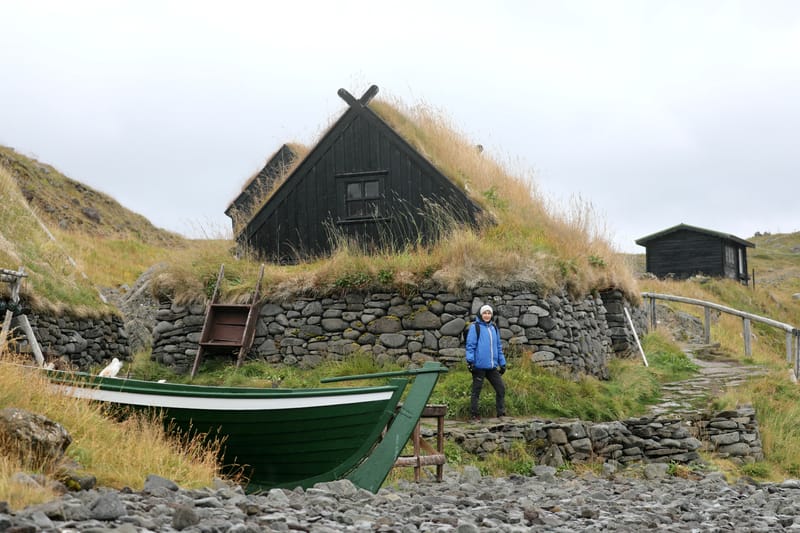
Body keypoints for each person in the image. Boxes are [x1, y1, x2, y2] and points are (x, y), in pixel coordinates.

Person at [465, 304, 506, 421]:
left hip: (492, 366)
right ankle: (474, 415)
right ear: (480, 314)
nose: (487, 315)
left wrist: (502, 363)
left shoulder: (494, 328)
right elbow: (470, 346)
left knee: (501, 388)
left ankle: (501, 414)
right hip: (478, 366)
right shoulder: (475, 327)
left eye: (489, 313)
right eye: (485, 313)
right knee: (476, 391)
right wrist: (470, 362)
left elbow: (498, 347)